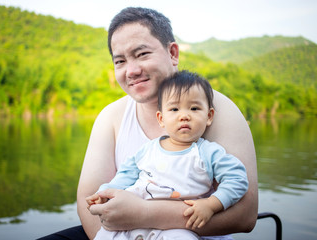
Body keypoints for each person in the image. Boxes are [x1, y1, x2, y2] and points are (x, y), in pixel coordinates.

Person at [38, 6, 258, 240]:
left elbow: (245, 215)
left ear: (173, 53)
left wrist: (144, 212)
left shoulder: (217, 109)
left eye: (142, 54)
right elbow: (90, 201)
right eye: (120, 61)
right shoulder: (111, 116)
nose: (131, 70)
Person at [86, 70, 249, 240]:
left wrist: (211, 204)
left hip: (177, 228)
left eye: (194, 108)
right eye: (174, 109)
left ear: (209, 116)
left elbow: (238, 179)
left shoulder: (208, 153)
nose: (184, 116)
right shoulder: (147, 150)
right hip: (132, 224)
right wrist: (104, 193)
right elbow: (125, 176)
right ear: (161, 118)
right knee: (105, 235)